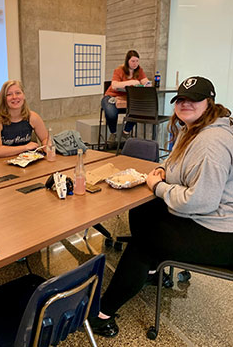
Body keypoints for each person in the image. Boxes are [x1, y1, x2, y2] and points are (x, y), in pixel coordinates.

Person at [90, 76, 233, 337]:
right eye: (180, 99)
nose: (184, 104)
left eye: (193, 99)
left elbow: (202, 201)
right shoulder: (191, 129)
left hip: (221, 232)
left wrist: (159, 187)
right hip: (204, 217)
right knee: (143, 210)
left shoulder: (212, 142)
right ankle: (153, 269)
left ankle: (102, 312)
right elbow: (173, 166)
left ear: (209, 103)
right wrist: (160, 170)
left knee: (143, 243)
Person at [0, 80, 48, 157]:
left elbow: (45, 138)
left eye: (18, 93)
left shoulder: (33, 117)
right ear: (3, 99)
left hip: (26, 162)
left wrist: (47, 146)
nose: (14, 97)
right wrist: (25, 147)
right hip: (0, 164)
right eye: (9, 94)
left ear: (24, 95)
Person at [102, 50, 151, 144]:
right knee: (111, 111)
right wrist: (132, 82)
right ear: (127, 61)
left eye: (137, 61)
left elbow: (145, 81)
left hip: (128, 99)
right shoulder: (119, 70)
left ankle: (126, 131)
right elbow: (114, 85)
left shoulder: (139, 70)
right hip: (111, 96)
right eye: (133, 61)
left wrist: (146, 83)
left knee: (140, 108)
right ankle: (113, 133)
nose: (135, 63)